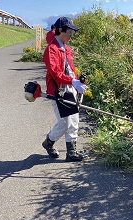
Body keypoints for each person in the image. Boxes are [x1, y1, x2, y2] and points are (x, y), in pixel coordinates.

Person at [42, 16, 87, 162]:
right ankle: (49, 142)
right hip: (58, 90)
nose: (71, 35)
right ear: (60, 30)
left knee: (74, 119)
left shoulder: (67, 48)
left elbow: (69, 69)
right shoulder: (51, 49)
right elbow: (56, 73)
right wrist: (72, 81)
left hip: (70, 88)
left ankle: (71, 152)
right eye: (70, 31)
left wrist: (78, 81)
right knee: (65, 121)